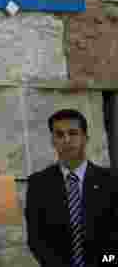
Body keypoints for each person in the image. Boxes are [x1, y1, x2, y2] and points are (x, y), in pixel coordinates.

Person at [25, 108, 118, 267]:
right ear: (53, 141)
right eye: (59, 135)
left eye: (73, 133)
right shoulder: (38, 184)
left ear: (85, 138)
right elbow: (36, 240)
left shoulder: (111, 181)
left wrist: (106, 263)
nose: (66, 140)